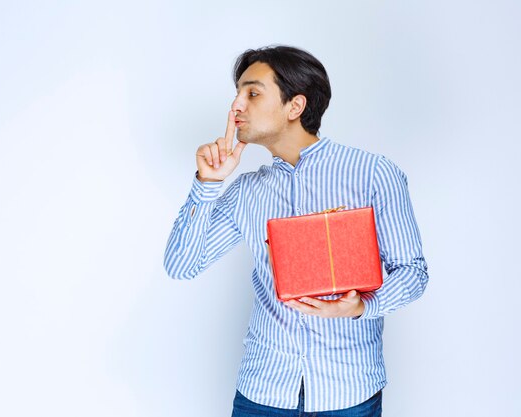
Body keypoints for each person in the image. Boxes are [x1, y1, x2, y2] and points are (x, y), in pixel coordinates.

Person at [164, 45, 428, 416]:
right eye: (237, 93)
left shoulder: (372, 173)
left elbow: (413, 272)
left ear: (295, 106)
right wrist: (207, 184)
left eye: (252, 93)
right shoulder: (247, 192)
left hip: (348, 391)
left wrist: (363, 306)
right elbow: (181, 265)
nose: (235, 106)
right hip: (262, 393)